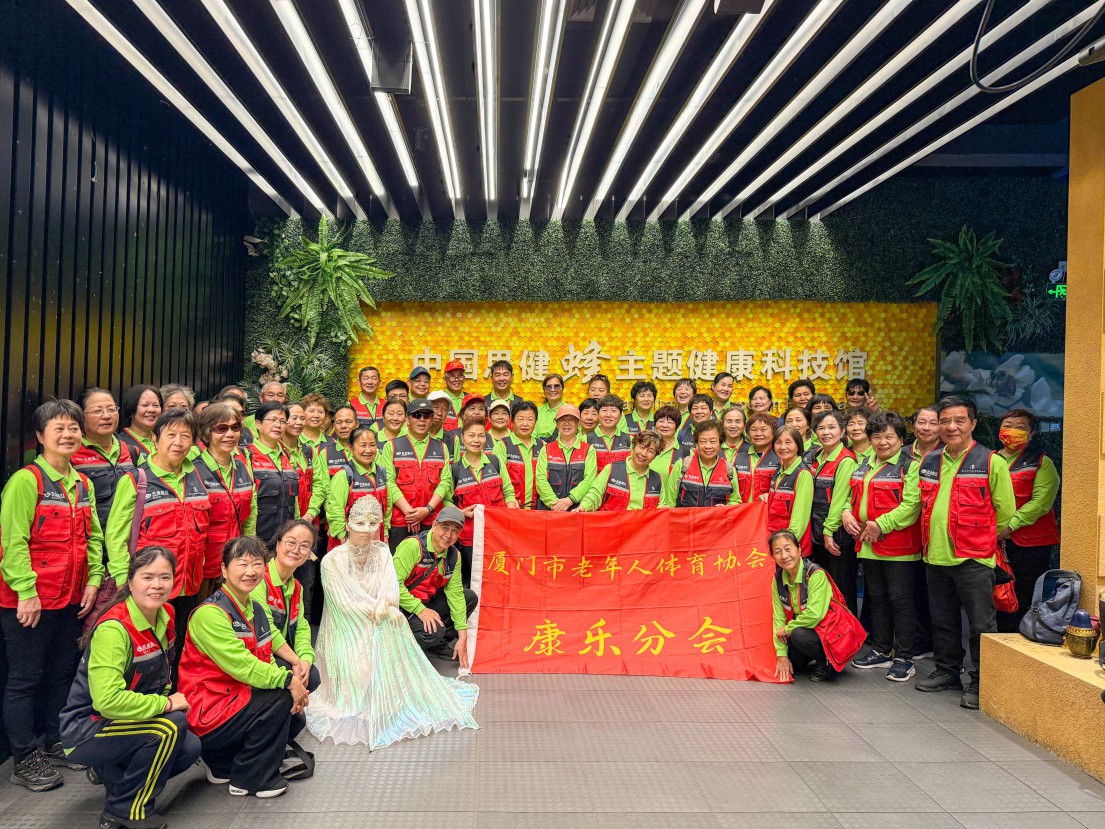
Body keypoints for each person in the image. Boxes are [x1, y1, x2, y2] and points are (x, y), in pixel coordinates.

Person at [306, 498, 478, 748]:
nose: (366, 529)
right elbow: (342, 603)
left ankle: (429, 642)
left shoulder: (385, 551)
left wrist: (462, 635)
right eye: (360, 523)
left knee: (464, 600)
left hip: (387, 615)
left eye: (372, 523)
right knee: (363, 678)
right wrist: (383, 609)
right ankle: (421, 640)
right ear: (348, 525)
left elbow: (391, 588)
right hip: (353, 626)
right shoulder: (331, 561)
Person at [1, 400, 105, 791]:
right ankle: (25, 758)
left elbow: (93, 538)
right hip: (29, 602)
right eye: (58, 428)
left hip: (71, 599)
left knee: (63, 672)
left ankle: (57, 741)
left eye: (73, 427)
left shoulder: (83, 484)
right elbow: (12, 541)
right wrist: (26, 592)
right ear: (40, 436)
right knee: (25, 679)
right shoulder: (26, 481)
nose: (67, 434)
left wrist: (93, 581)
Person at [60, 547, 200, 829]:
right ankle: (125, 809)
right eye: (148, 577)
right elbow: (107, 701)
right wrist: (166, 705)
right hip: (88, 728)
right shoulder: (114, 629)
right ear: (131, 581)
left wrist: (167, 702)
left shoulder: (166, 613)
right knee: (169, 728)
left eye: (165, 577)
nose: (157, 585)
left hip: (124, 722)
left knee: (189, 747)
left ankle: (112, 773)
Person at [177, 536, 309, 799]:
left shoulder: (256, 608)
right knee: (281, 697)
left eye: (257, 564)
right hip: (208, 710)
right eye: (242, 564)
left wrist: (291, 680)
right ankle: (251, 778)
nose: (251, 571)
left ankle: (223, 763)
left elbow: (264, 659)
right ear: (224, 570)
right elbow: (243, 666)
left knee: (295, 716)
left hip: (235, 698)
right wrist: (289, 681)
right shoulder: (210, 614)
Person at [914, 396, 1015, 710]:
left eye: (959, 420)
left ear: (973, 423)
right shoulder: (930, 460)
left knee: (981, 624)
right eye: (945, 421)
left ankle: (982, 681)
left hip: (974, 559)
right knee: (942, 620)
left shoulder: (990, 461)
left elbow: (1006, 513)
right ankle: (947, 671)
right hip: (935, 556)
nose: (951, 427)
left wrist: (979, 539)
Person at [105, 409, 211, 673]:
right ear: (155, 438)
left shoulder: (198, 476)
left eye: (185, 436)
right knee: (147, 656)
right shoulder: (136, 481)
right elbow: (116, 536)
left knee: (181, 649)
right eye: (171, 435)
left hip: (189, 585)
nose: (178, 442)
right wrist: (123, 581)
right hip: (150, 589)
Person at [843, 411, 922, 682]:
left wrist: (881, 524)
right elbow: (851, 495)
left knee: (900, 601)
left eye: (889, 436)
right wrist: (846, 513)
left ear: (901, 439)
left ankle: (904, 657)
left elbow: (911, 505)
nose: (882, 442)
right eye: (877, 436)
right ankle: (881, 649)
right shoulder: (864, 463)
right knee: (876, 599)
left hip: (899, 548)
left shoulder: (910, 466)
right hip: (867, 545)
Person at [253, 520, 321, 753]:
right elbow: (266, 629)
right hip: (256, 656)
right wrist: (294, 660)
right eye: (291, 542)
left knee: (311, 674)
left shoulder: (296, 587)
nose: (296, 550)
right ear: (278, 543)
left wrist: (305, 660)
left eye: (304, 546)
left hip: (278, 655)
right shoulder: (259, 579)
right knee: (296, 677)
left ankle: (273, 739)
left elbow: (301, 627)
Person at [995, 408, 1060, 633]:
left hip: (1031, 543)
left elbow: (1041, 503)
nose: (1012, 431)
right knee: (997, 593)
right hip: (993, 542)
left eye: (1020, 428)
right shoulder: (988, 460)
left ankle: (1023, 639)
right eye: (1008, 426)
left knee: (1026, 594)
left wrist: (1010, 526)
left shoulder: (1041, 462)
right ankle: (999, 638)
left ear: (1031, 434)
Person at [393, 506, 479, 664]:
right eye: (445, 528)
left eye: (455, 531)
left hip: (426, 601)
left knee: (469, 597)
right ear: (434, 525)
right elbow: (393, 585)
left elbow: (455, 594)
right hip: (401, 606)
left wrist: (463, 637)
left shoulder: (454, 555)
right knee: (434, 632)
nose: (449, 535)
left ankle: (435, 643)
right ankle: (397, 644)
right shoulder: (413, 546)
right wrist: (420, 610)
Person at [192, 404, 256, 602]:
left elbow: (250, 515)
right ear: (207, 433)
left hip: (233, 563)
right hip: (202, 569)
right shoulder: (194, 471)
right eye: (221, 428)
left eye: (235, 428)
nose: (230, 434)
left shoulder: (243, 467)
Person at [770, 530, 854, 682]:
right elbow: (778, 617)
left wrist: (787, 629)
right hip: (807, 630)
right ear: (773, 557)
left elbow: (815, 614)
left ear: (799, 549)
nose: (784, 556)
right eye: (777, 552)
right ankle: (810, 655)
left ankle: (825, 661)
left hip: (830, 632)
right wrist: (781, 655)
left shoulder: (815, 574)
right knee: (792, 665)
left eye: (788, 549)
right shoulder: (777, 579)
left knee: (797, 634)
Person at [445, 419, 518, 585]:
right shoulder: (454, 470)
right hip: (468, 539)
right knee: (471, 581)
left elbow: (508, 492)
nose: (476, 440)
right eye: (471, 436)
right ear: (462, 438)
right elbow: (447, 500)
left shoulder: (495, 462)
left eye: (481, 436)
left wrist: (512, 517)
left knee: (498, 579)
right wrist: (460, 512)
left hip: (498, 535)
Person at [378, 399, 452, 548]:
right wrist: (410, 513)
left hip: (432, 520)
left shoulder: (442, 447)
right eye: (417, 415)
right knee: (399, 561)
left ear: (432, 419)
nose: (422, 419)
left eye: (427, 415)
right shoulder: (391, 446)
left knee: (430, 561)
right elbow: (388, 482)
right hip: (401, 521)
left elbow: (445, 482)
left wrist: (427, 510)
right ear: (407, 419)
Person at [808, 411, 858, 613]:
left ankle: (848, 629)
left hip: (837, 534)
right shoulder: (816, 456)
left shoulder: (846, 460)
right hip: (818, 531)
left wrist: (829, 531)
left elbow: (839, 499)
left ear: (842, 431)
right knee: (823, 586)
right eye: (821, 428)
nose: (826, 432)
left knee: (841, 588)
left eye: (831, 427)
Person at [74, 388, 136, 532]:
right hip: (92, 540)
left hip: (130, 540)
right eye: (97, 411)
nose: (106, 416)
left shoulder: (131, 451)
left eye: (111, 409)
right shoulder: (72, 455)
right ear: (81, 416)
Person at [241, 402, 299, 542]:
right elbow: (250, 501)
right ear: (258, 424)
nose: (278, 425)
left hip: (285, 537)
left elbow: (294, 500)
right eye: (272, 420)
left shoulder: (288, 455)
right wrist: (250, 539)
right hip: (259, 537)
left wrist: (297, 530)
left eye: (282, 421)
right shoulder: (247, 454)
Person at [326, 426, 389, 547]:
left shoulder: (382, 473)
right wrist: (343, 539)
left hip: (375, 538)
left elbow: (387, 508)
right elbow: (335, 509)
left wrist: (385, 533)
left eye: (372, 445)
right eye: (363, 445)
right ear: (350, 447)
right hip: (349, 541)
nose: (368, 450)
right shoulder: (344, 476)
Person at [662, 419, 740, 508]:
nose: (708, 446)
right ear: (696, 444)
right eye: (703, 441)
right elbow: (670, 503)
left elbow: (735, 501)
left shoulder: (729, 470)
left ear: (720, 444)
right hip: (685, 517)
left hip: (717, 517)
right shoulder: (682, 465)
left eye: (713, 442)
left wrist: (728, 507)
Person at [580, 430, 663, 511]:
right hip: (613, 520)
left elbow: (661, 506)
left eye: (650, 451)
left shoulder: (657, 479)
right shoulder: (611, 469)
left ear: (655, 456)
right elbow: (595, 494)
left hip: (642, 521)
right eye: (641, 447)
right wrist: (584, 507)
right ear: (633, 447)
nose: (644, 454)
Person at [536, 404, 598, 511]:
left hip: (576, 510)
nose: (566, 423)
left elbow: (589, 480)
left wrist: (570, 500)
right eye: (562, 420)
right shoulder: (546, 449)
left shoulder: (588, 450)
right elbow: (540, 480)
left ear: (578, 423)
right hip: (550, 509)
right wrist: (554, 504)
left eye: (571, 420)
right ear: (556, 423)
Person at [765, 426, 813, 557]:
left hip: (790, 548)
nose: (782, 447)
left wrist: (787, 545)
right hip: (775, 543)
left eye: (788, 442)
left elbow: (800, 517)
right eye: (778, 442)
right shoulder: (778, 472)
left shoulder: (803, 474)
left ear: (798, 445)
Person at [497, 401, 541, 509]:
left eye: (530, 419)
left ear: (535, 422)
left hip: (538, 509)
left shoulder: (543, 446)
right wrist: (510, 499)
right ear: (512, 421)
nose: (525, 424)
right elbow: (498, 478)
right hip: (512, 508)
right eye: (520, 419)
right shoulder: (502, 446)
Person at [118, 385, 164, 464]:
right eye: (145, 405)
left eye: (156, 405)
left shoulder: (163, 439)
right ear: (130, 409)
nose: (151, 410)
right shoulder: (119, 444)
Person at [588, 395, 631, 472]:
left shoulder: (629, 440)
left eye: (613, 411)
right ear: (598, 414)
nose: (608, 415)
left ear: (620, 415)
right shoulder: (586, 439)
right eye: (604, 410)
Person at [745, 412, 780, 502]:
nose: (758, 434)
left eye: (763, 430)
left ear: (773, 432)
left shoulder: (780, 457)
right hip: (744, 509)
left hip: (768, 508)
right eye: (753, 430)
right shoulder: (739, 456)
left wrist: (771, 495)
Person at [649, 405, 684, 479]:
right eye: (661, 421)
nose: (665, 425)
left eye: (670, 422)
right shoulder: (645, 446)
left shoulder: (686, 452)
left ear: (676, 427)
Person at [537, 373, 566, 440]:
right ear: (544, 391)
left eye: (556, 386)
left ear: (562, 389)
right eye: (549, 387)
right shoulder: (536, 411)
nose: (552, 390)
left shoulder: (569, 411)